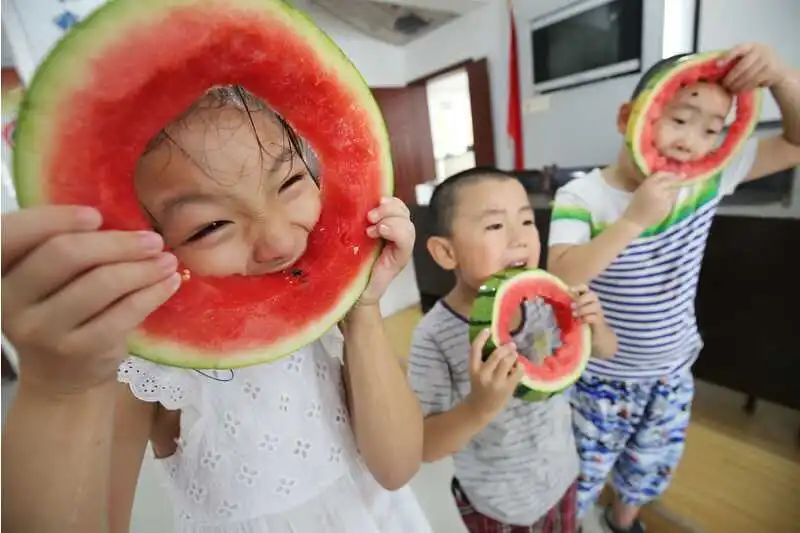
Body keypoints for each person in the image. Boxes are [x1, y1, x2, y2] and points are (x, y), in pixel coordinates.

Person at [1, 86, 431, 533]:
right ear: (143, 236)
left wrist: (362, 311)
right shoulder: (147, 363)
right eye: (209, 226)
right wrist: (58, 389)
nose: (280, 242)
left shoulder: (326, 312)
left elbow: (396, 467)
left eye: (289, 182)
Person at [547, 43, 800, 533]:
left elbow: (795, 143)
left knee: (647, 470)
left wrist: (783, 80)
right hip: (600, 377)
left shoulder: (708, 178)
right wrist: (632, 220)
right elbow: (564, 276)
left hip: (672, 372)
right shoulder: (582, 195)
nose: (692, 141)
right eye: (680, 119)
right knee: (580, 475)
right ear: (629, 118)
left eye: (712, 130)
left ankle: (623, 522)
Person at [407, 167, 618, 533]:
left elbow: (605, 349)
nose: (520, 239)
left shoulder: (548, 302)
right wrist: (479, 407)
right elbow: (425, 447)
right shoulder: (434, 338)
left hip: (563, 477)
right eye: (494, 226)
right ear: (446, 252)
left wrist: (595, 326)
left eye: (526, 221)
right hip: (499, 506)